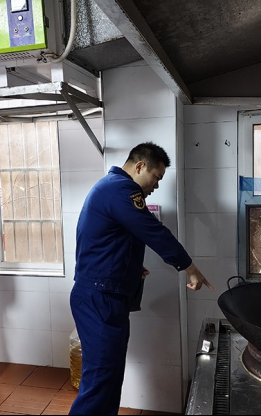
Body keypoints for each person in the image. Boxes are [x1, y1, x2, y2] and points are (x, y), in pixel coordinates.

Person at [69, 142, 214, 415]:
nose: (156, 186)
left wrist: (131, 266)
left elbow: (107, 239)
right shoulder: (121, 189)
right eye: (156, 177)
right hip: (100, 298)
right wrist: (189, 266)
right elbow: (152, 231)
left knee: (109, 377)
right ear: (139, 166)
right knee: (100, 380)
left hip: (103, 296)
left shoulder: (110, 188)